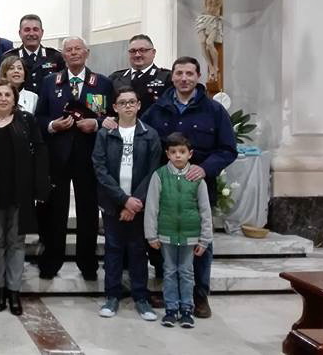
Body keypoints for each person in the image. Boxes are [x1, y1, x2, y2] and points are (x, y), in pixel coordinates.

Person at [142, 56, 235, 319]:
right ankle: (167, 287)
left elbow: (228, 149)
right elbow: (143, 137)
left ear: (197, 77)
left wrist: (205, 168)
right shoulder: (157, 108)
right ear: (171, 77)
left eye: (189, 74)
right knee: (164, 239)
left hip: (199, 186)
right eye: (179, 73)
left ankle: (199, 295)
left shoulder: (214, 111)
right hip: (166, 186)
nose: (184, 78)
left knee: (200, 243)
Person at [34, 37, 113, 280]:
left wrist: (97, 123)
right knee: (54, 211)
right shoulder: (50, 82)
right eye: (69, 50)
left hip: (89, 157)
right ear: (63, 55)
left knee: (88, 211)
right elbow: (39, 118)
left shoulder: (102, 83)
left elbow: (113, 116)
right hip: (57, 157)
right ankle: (51, 261)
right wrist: (52, 125)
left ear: (87, 53)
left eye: (78, 49)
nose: (74, 53)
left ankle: (88, 263)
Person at [0, 79, 49, 317]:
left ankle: (14, 291)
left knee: (16, 240)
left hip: (20, 190)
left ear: (15, 98)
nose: (3, 98)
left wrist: (40, 187)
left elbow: (40, 153)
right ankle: (0, 288)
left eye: (8, 94)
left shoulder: (26, 121)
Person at [92, 87, 161, 322]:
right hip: (113, 203)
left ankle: (141, 298)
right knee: (113, 250)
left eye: (132, 102)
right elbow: (100, 169)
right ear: (115, 107)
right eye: (123, 102)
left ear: (139, 105)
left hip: (139, 205)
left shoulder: (150, 134)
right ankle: (112, 296)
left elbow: (153, 171)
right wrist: (123, 200)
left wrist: (135, 202)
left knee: (137, 250)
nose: (128, 106)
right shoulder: (105, 134)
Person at [144, 132, 214, 329]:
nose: (177, 156)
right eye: (173, 152)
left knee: (186, 272)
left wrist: (204, 239)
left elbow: (205, 210)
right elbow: (152, 207)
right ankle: (171, 310)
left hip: (190, 236)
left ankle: (186, 310)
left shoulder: (197, 178)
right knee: (168, 271)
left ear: (190, 154)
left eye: (182, 152)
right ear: (167, 154)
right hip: (166, 234)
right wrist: (151, 234)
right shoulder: (159, 176)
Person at [168, 0, 263, 82]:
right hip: (203, 18)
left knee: (209, 44)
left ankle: (216, 67)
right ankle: (211, 67)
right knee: (202, 43)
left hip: (213, 18)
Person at [108, 34, 172, 118]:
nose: (137, 55)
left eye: (142, 50)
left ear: (153, 53)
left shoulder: (167, 77)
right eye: (133, 51)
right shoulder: (115, 78)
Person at [2, 14, 64, 93]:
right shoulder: (9, 57)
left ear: (42, 32)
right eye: (27, 30)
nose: (31, 34)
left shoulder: (55, 56)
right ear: (20, 33)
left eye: (35, 29)